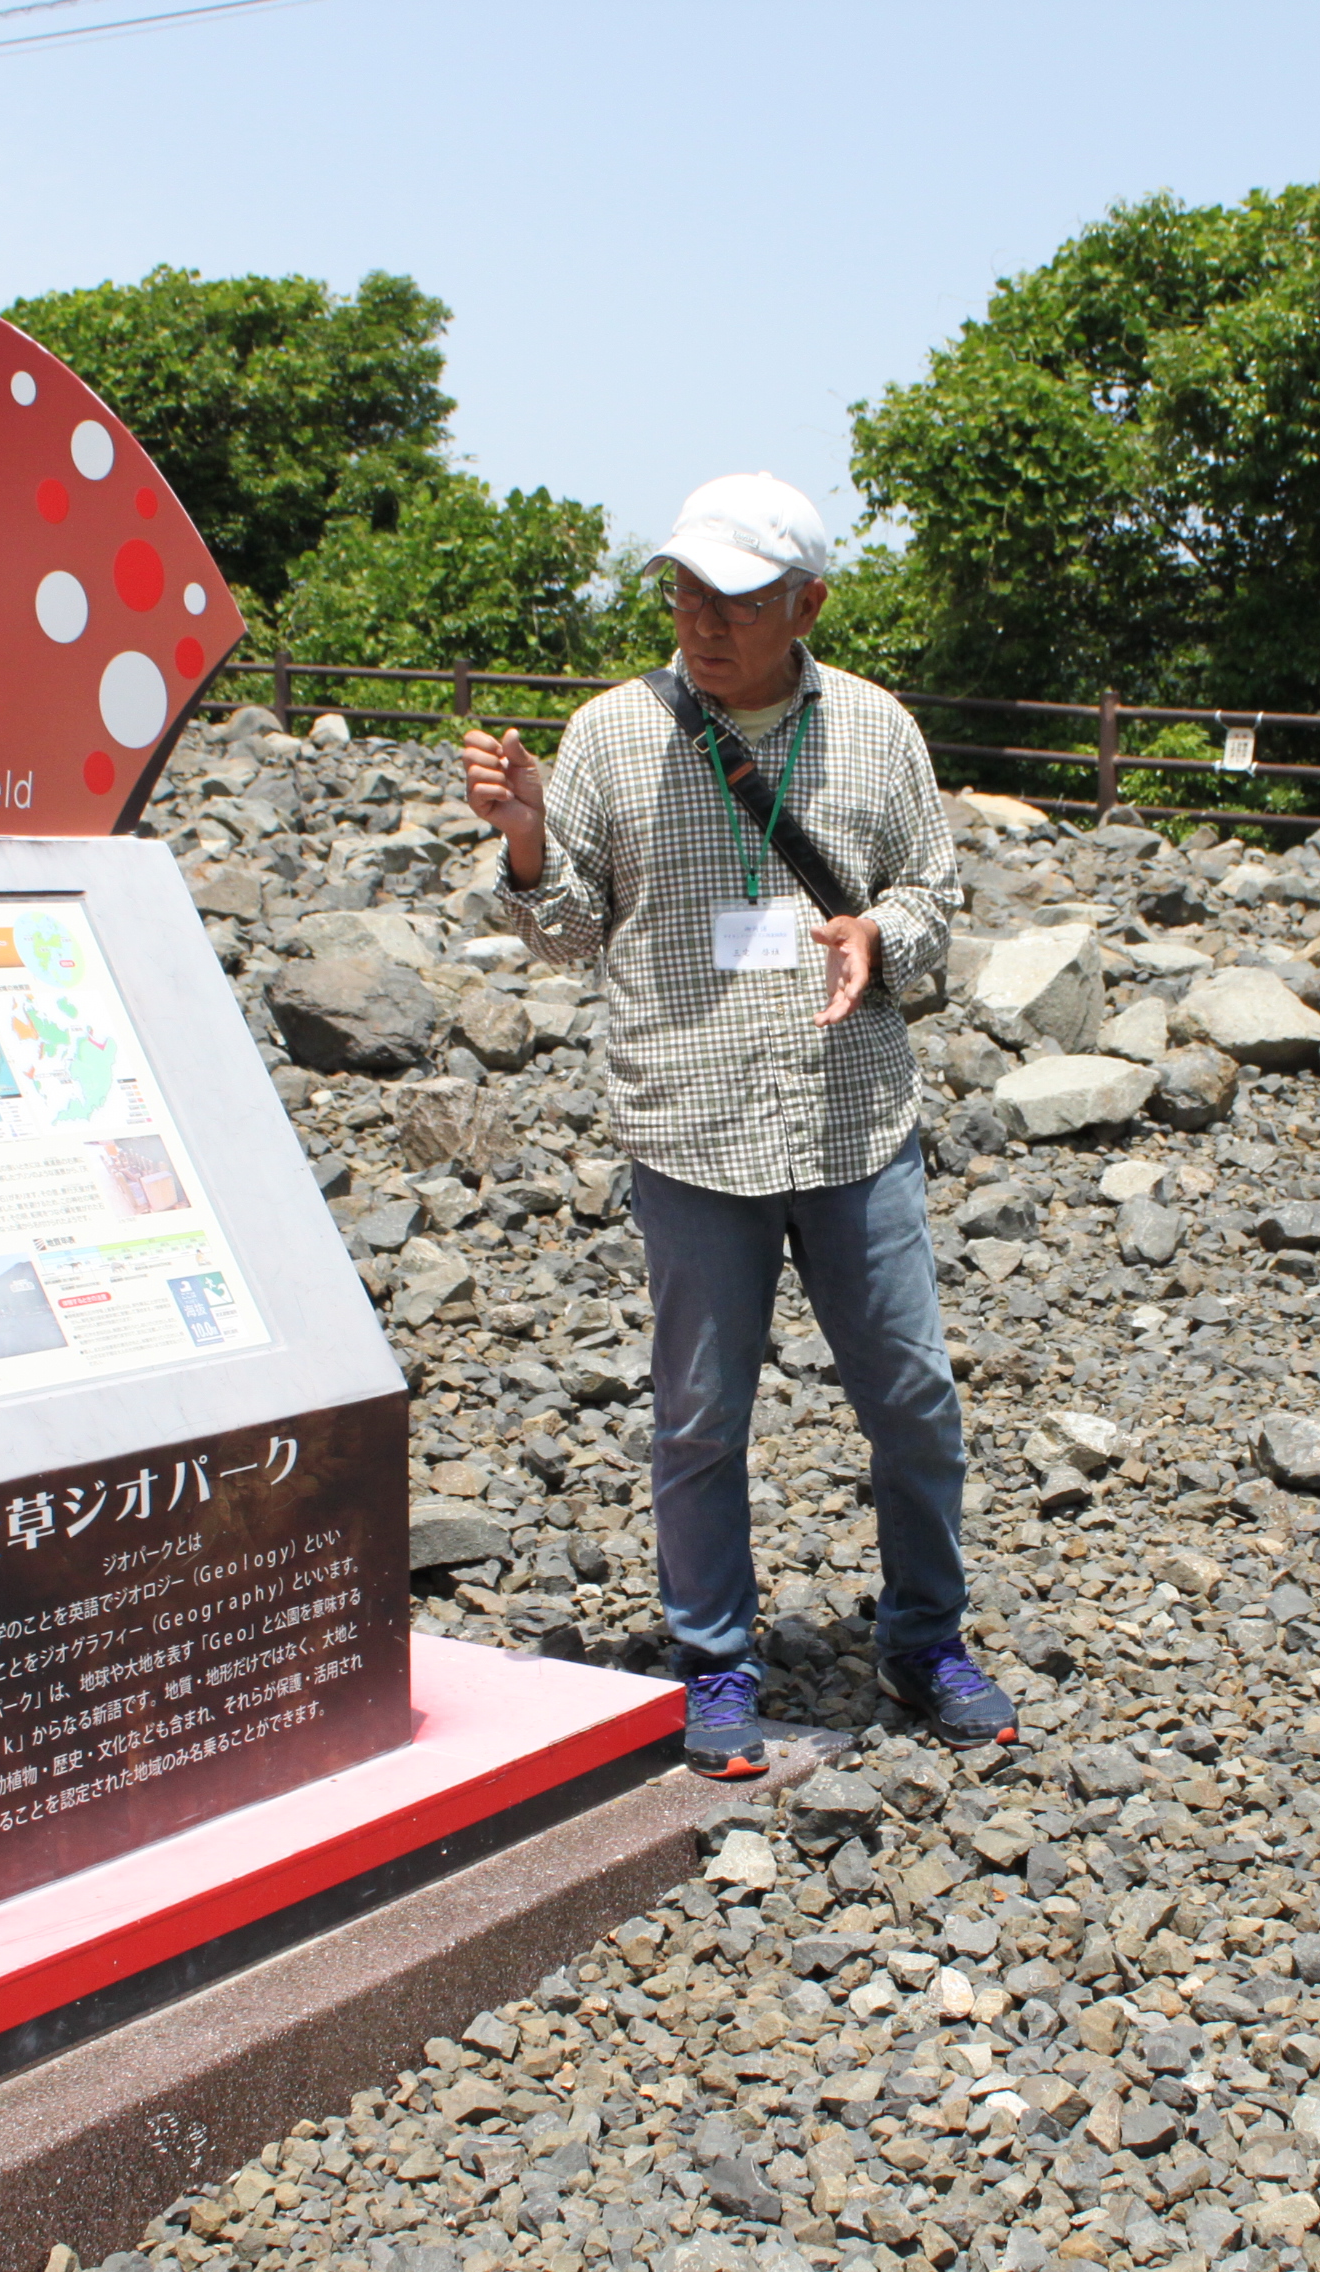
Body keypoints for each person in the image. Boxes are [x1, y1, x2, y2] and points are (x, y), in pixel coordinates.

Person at [461, 472, 1010, 1779]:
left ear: (809, 602)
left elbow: (937, 902)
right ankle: (715, 1659)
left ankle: (924, 1635)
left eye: (739, 598)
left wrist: (884, 931)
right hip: (691, 1121)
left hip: (850, 1116)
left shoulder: (879, 733)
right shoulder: (606, 736)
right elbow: (571, 935)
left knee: (915, 1399)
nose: (703, 620)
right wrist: (530, 845)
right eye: (686, 591)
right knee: (700, 1415)